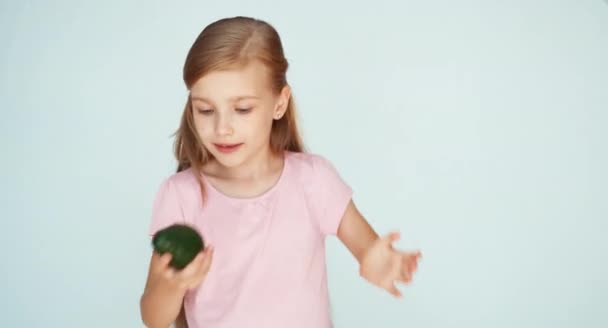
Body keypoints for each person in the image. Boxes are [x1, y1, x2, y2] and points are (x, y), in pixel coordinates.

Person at [139, 16, 422, 328]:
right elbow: (154, 319)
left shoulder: (314, 180)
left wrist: (378, 263)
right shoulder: (181, 194)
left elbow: (367, 248)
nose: (222, 128)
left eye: (242, 109)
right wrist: (173, 285)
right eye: (205, 110)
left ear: (279, 104)